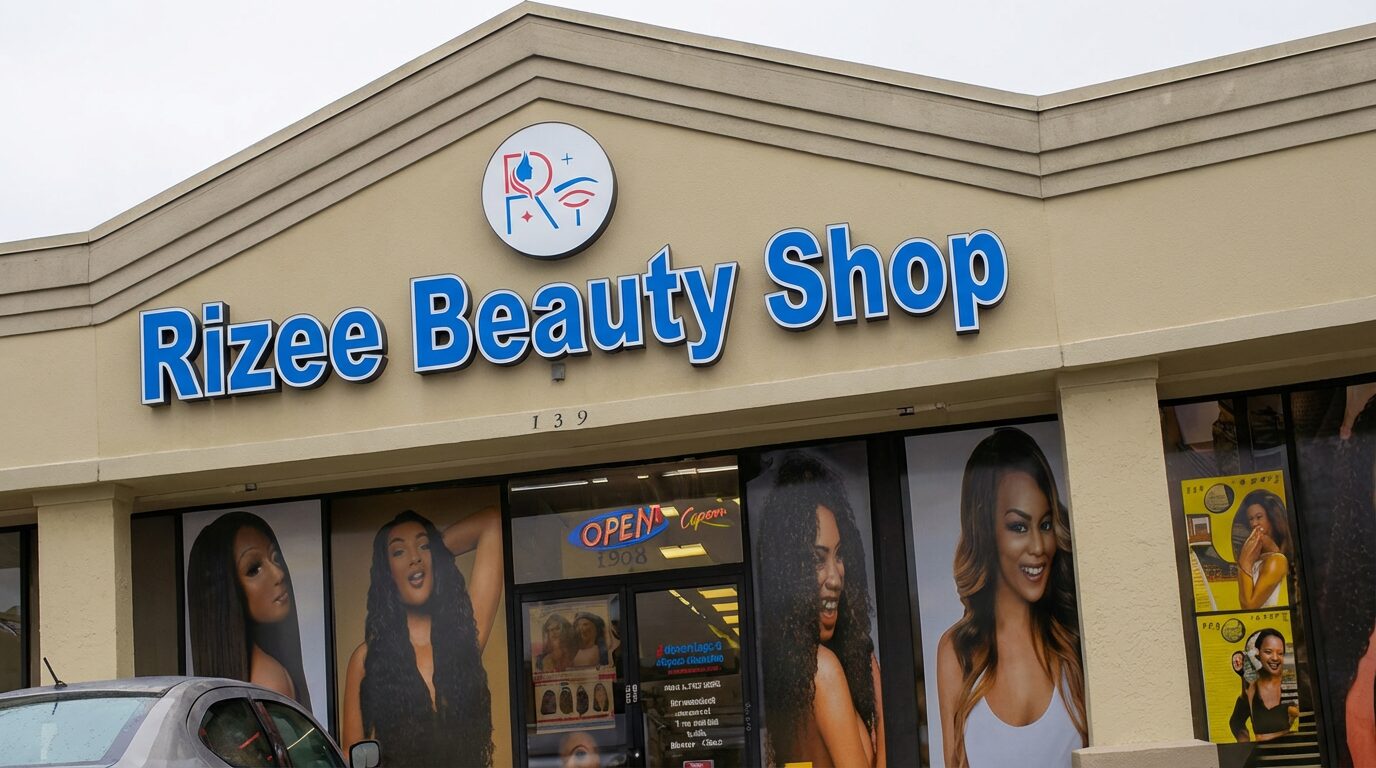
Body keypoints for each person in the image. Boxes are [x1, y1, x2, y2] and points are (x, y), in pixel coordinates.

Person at [936, 428, 1086, 767]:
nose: (1039, 547)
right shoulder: (957, 651)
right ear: (985, 532)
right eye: (1018, 526)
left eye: (1045, 525)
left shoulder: (1075, 642)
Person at [342, 507, 502, 766]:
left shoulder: (461, 639)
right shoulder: (366, 658)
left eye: (424, 546)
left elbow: (493, 523)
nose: (414, 558)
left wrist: (434, 552)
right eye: (399, 552)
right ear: (386, 572)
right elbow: (351, 755)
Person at [758, 452, 885, 767]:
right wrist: (883, 709)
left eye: (839, 555)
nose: (835, 577)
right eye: (818, 559)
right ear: (790, 573)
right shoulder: (822, 669)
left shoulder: (793, 671)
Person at [187, 511, 312, 709]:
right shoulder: (270, 681)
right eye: (254, 569)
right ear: (224, 594)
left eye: (275, 558)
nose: (279, 573)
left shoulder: (254, 680)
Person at [1230, 629, 1298, 741]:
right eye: (1268, 652)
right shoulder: (1251, 687)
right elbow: (1236, 722)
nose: (1275, 658)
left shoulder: (1292, 683)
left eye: (1280, 653)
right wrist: (1244, 744)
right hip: (1263, 750)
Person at [1235, 490, 1291, 609]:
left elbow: (1248, 606)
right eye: (1251, 519)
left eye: (1259, 517)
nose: (1254, 524)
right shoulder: (1256, 555)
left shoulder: (1276, 560)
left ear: (1272, 518)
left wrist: (1244, 562)